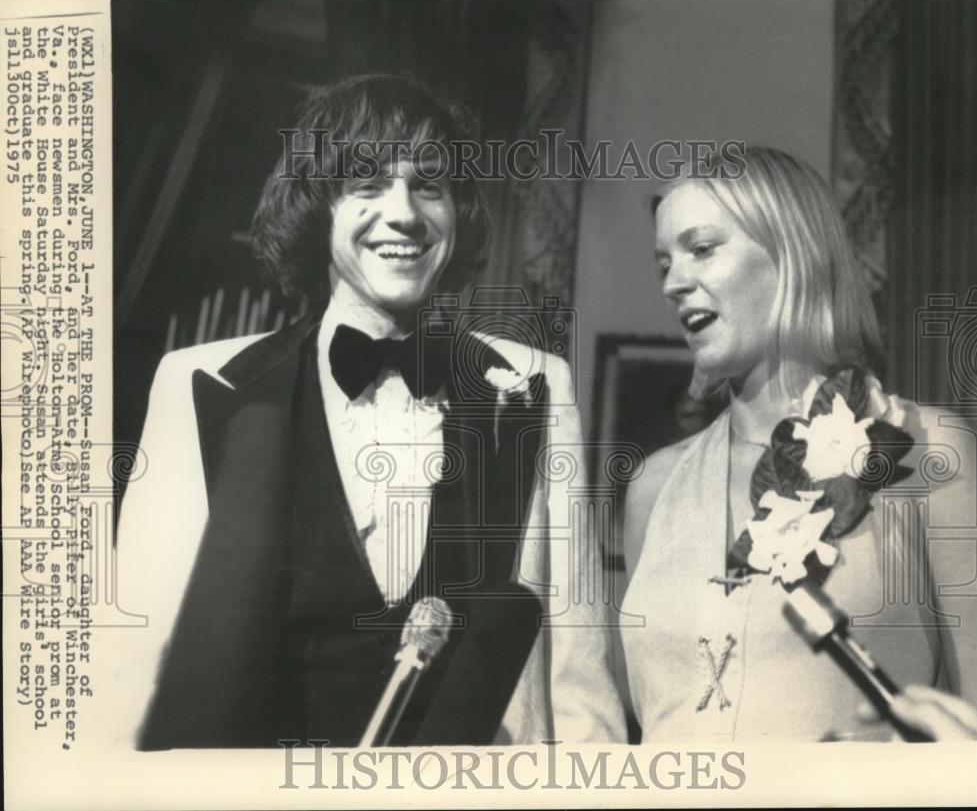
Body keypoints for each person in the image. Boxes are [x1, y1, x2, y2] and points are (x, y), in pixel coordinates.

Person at [114, 74, 626, 748]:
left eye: (430, 185)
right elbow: (135, 667)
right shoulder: (204, 383)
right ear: (316, 208)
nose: (405, 213)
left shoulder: (532, 385)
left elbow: (579, 675)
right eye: (367, 183)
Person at [619, 145, 977, 742]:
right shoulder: (652, 488)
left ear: (792, 252)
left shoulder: (931, 453)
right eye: (663, 263)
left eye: (701, 249)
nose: (673, 282)